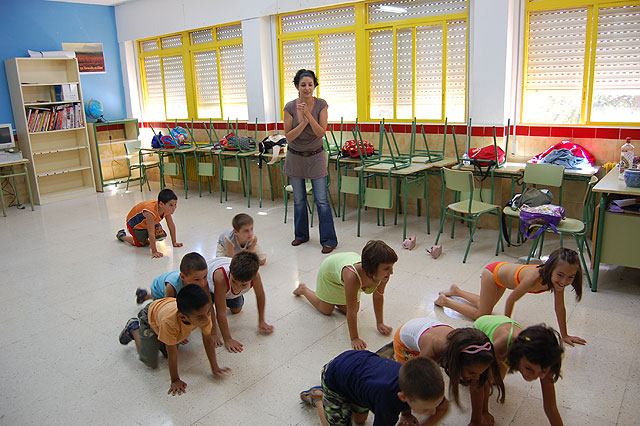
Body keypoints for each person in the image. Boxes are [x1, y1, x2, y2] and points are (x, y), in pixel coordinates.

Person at [435, 248, 586, 346]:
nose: (564, 281)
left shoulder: (557, 282)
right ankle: (445, 301)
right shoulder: (533, 278)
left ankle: (457, 291)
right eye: (560, 275)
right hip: (492, 275)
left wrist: (564, 335)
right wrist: (506, 327)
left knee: (483, 303)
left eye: (570, 277)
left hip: (503, 277)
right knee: (481, 315)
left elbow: (559, 307)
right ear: (551, 269)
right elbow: (511, 300)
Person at [119, 284, 230, 396]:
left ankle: (161, 337)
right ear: (183, 317)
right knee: (150, 361)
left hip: (166, 310)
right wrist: (175, 380)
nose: (207, 319)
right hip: (150, 318)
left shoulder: (203, 315)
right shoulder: (170, 323)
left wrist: (214, 366)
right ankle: (134, 328)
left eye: (208, 312)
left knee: (168, 348)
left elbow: (207, 340)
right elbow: (172, 352)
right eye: (200, 317)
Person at [393, 318, 505, 426]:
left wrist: (478, 419)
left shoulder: (467, 351)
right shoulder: (430, 354)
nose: (477, 377)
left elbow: (478, 385)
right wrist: (406, 414)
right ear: (456, 362)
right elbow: (407, 385)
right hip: (405, 343)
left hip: (428, 328)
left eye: (480, 372)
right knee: (415, 382)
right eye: (471, 372)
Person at [293, 240, 397, 350]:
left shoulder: (383, 275)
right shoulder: (353, 277)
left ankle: (338, 298)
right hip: (330, 272)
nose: (391, 272)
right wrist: (354, 338)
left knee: (354, 308)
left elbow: (378, 296)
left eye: (391, 267)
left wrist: (380, 323)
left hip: (347, 270)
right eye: (387, 268)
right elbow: (351, 311)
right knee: (326, 310)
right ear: (372, 267)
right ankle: (303, 289)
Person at [299, 350, 447, 426]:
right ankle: (318, 398)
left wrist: (407, 414)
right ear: (403, 397)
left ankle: (344, 404)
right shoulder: (388, 402)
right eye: (426, 409)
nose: (433, 411)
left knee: (360, 421)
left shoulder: (424, 384)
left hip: (358, 376)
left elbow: (442, 406)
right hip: (335, 378)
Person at [283, 69, 337, 254]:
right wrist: (303, 122)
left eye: (310, 84)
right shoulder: (290, 107)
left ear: (315, 86)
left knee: (321, 200)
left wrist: (308, 116)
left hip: (316, 156)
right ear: (297, 86)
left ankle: (328, 240)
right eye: (303, 84)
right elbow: (289, 136)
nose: (307, 88)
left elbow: (321, 132)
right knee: (298, 200)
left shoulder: (321, 104)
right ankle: (301, 235)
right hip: (295, 157)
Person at [474, 316, 565, 426]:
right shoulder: (501, 346)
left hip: (506, 328)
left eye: (542, 372)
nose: (534, 376)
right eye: (528, 368)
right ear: (517, 356)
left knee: (496, 381)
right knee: (474, 377)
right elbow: (480, 381)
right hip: (482, 330)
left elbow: (551, 407)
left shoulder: (546, 360)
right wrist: (483, 413)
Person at [207, 251, 273, 352]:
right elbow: (221, 313)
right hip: (209, 287)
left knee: (236, 309)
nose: (236, 286)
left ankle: (229, 294)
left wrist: (261, 321)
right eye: (233, 281)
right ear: (230, 270)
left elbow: (260, 296)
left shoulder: (255, 276)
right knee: (207, 308)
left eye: (243, 285)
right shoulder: (220, 277)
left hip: (227, 290)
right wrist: (227, 339)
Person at [116, 188, 183, 258]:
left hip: (149, 223)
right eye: (171, 205)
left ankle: (146, 237)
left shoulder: (166, 209)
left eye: (175, 204)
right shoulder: (150, 212)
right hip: (134, 225)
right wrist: (154, 251)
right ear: (161, 204)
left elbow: (171, 225)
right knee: (139, 244)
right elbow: (151, 232)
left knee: (160, 236)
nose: (174, 207)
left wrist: (174, 242)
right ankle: (122, 236)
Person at [135, 252, 208, 304]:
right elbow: (168, 307)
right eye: (197, 280)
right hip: (158, 288)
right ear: (182, 277)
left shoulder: (192, 278)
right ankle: (146, 298)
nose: (203, 283)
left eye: (205, 277)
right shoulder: (172, 286)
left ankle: (144, 295)